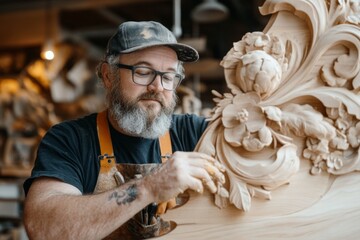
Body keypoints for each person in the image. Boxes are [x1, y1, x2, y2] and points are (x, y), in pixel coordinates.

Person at [23, 21, 225, 239]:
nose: (157, 86)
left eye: (168, 76)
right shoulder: (69, 140)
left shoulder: (195, 133)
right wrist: (151, 186)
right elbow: (43, 229)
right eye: (143, 71)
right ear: (109, 76)